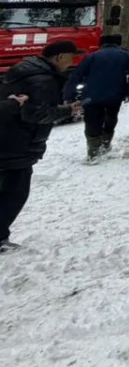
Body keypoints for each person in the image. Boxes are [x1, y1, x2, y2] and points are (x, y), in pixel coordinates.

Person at [0, 41, 83, 252]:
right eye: (71, 57)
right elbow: (36, 113)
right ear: (59, 57)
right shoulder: (43, 79)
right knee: (15, 192)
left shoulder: (26, 70)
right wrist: (66, 111)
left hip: (8, 138)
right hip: (17, 142)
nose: (72, 61)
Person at [69, 34, 129, 162]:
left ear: (101, 44)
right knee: (111, 117)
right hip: (115, 95)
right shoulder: (126, 56)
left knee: (92, 121)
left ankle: (93, 151)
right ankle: (106, 143)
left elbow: (76, 75)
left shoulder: (92, 56)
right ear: (118, 44)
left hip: (91, 95)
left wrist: (70, 96)